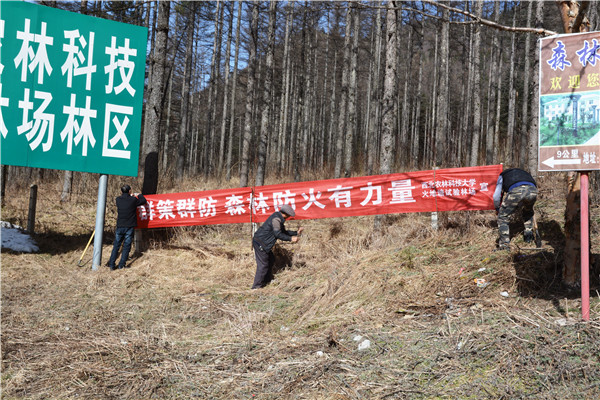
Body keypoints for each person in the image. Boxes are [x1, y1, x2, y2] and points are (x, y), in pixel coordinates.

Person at [252, 204, 304, 289]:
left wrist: (296, 233)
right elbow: (278, 234)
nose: (288, 218)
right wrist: (291, 239)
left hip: (264, 243)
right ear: (285, 214)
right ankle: (256, 286)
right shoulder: (276, 219)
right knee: (263, 264)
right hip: (261, 243)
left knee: (271, 259)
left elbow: (283, 232)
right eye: (288, 216)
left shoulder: (278, 217)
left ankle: (267, 280)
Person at [493, 168, 537, 250]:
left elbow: (496, 196)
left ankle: (504, 245)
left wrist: (497, 208)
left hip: (516, 191)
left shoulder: (502, 176)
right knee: (528, 212)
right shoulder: (525, 173)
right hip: (533, 190)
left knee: (503, 217)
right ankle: (528, 237)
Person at [108, 184, 147, 270]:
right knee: (126, 246)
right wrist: (138, 195)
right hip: (129, 226)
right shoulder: (133, 199)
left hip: (120, 225)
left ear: (121, 192)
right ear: (130, 191)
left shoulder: (118, 199)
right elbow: (143, 201)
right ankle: (121, 265)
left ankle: (111, 264)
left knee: (116, 246)